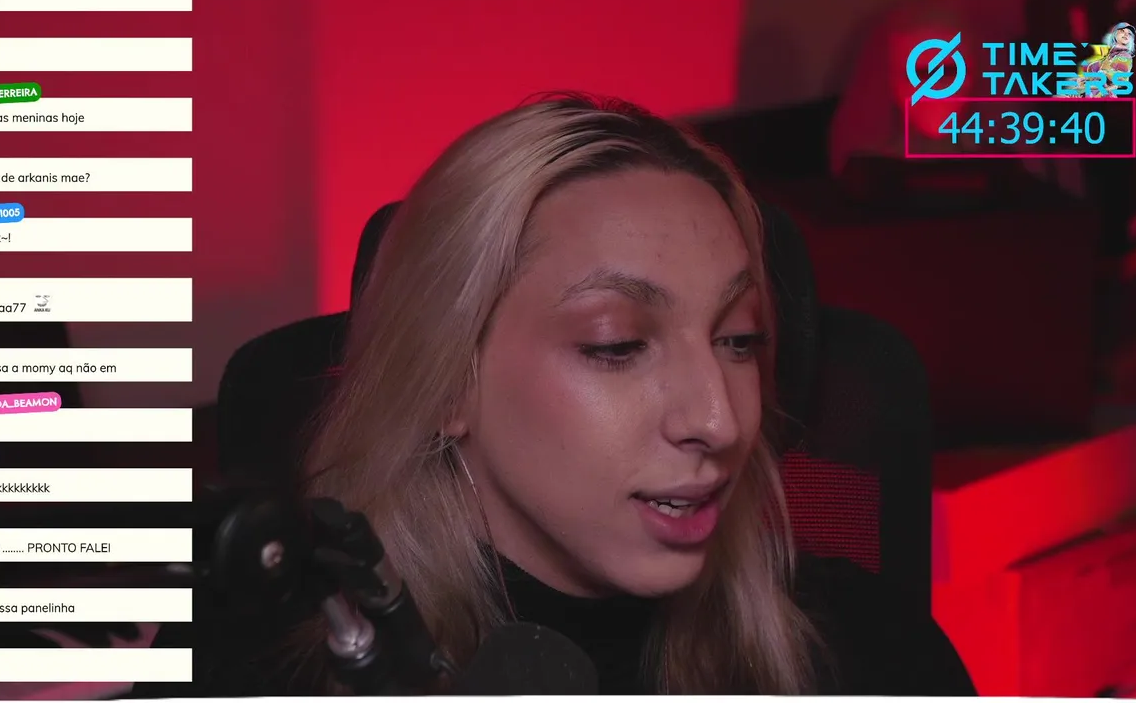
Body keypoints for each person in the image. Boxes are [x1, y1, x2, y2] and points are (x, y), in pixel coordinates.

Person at [134, 94, 976, 697]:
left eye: (739, 341)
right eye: (618, 346)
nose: (718, 420)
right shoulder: (253, 669)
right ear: (448, 382)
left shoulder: (874, 657)